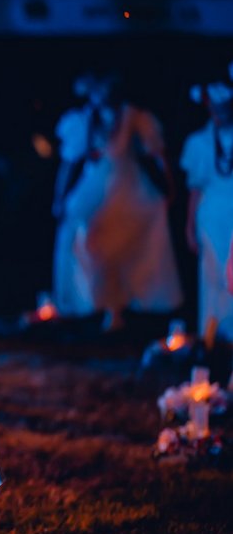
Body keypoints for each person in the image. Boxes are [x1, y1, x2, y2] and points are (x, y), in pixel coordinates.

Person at [51, 72, 182, 331]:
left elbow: (157, 152)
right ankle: (89, 301)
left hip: (126, 186)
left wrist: (168, 185)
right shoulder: (86, 119)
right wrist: (60, 196)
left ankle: (117, 309)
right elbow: (70, 162)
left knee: (122, 245)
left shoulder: (131, 116)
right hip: (95, 185)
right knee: (83, 236)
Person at [181, 81, 233, 344]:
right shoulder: (200, 142)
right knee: (213, 275)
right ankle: (214, 333)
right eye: (216, 108)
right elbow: (195, 188)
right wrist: (189, 226)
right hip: (211, 217)